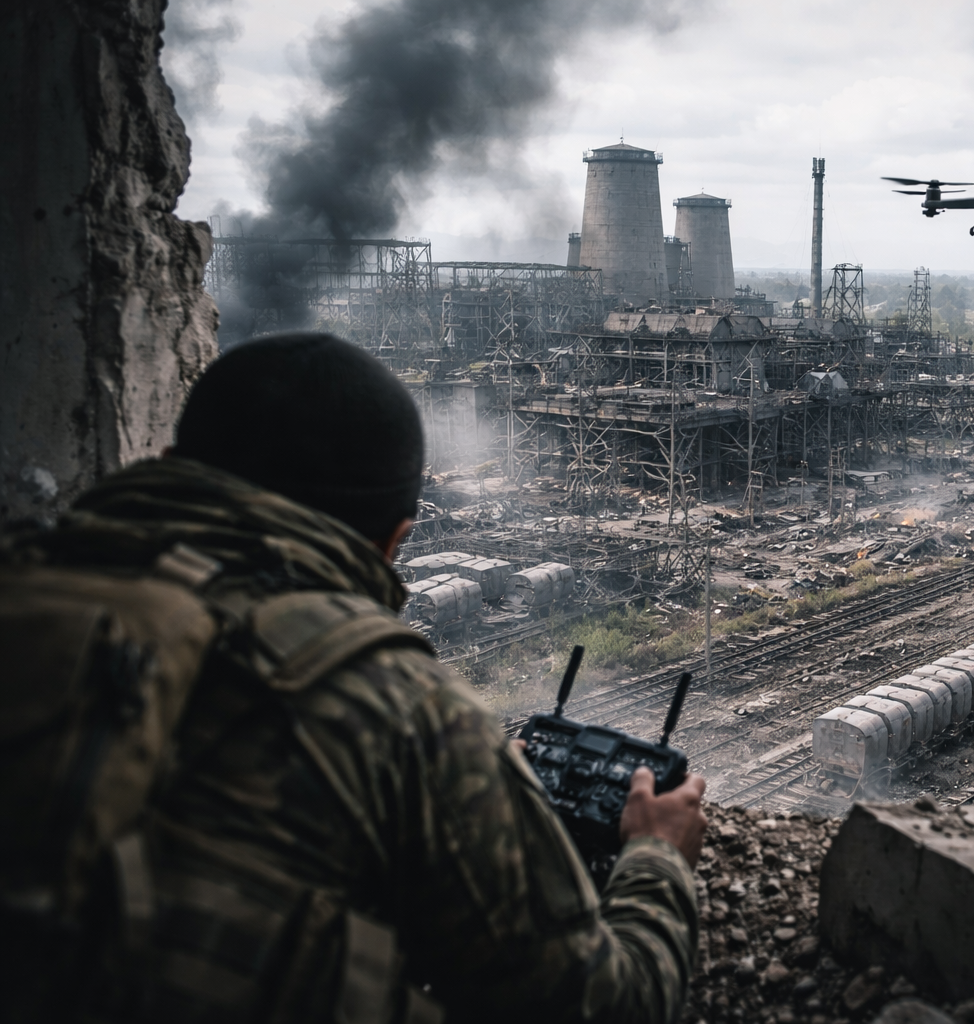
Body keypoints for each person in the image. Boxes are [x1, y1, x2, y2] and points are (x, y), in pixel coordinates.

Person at [4, 333, 706, 1023]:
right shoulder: (403, 710)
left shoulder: (22, 580)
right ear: (395, 539)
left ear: (169, 468)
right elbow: (608, 1005)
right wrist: (656, 856)